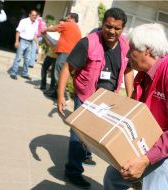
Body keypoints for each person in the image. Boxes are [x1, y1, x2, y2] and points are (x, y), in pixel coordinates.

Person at [103, 23, 168, 190]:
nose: (127, 55)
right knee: (113, 177)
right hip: (152, 139)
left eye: (132, 49)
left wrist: (145, 160)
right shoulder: (144, 72)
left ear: (147, 50)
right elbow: (137, 110)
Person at [57, 8, 134, 189]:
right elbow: (68, 67)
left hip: (109, 100)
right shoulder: (88, 43)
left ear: (123, 29)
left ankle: (85, 154)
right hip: (86, 96)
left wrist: (130, 96)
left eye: (117, 28)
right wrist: (61, 95)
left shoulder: (124, 46)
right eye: (108, 26)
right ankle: (73, 171)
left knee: (97, 133)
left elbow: (129, 70)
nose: (112, 32)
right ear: (103, 24)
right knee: (78, 134)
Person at [42, 13, 81, 99]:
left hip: (65, 53)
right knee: (60, 73)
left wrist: (45, 30)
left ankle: (63, 96)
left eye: (67, 18)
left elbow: (54, 28)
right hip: (69, 53)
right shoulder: (76, 27)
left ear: (71, 18)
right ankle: (56, 94)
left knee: (58, 73)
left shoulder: (68, 24)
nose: (66, 20)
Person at [10, 10, 38, 80]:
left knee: (27, 59)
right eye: (33, 15)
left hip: (30, 43)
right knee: (18, 58)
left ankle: (25, 73)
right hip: (23, 41)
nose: (34, 16)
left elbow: (34, 34)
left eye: (35, 15)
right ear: (29, 15)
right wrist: (16, 42)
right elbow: (18, 31)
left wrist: (37, 43)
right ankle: (13, 73)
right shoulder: (24, 21)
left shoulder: (36, 22)